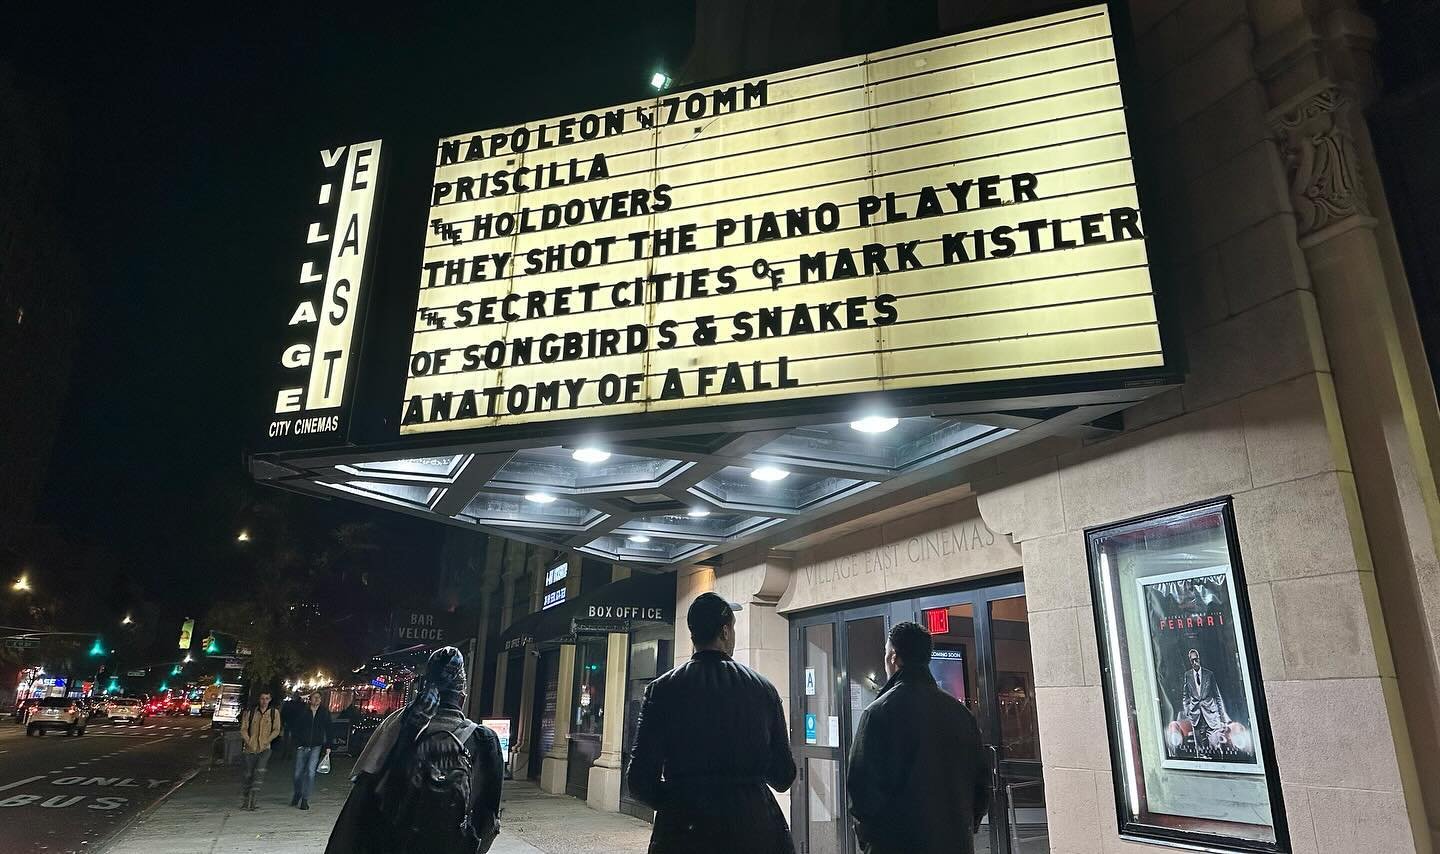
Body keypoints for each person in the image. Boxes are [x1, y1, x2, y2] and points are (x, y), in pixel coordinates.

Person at [627, 592, 797, 854]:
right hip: (753, 830)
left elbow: (639, 781)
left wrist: (677, 803)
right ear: (726, 631)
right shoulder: (763, 689)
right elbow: (783, 775)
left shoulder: (661, 691)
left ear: (693, 634)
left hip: (683, 834)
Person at [325, 647, 503, 854]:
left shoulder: (396, 725)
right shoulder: (484, 741)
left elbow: (361, 800)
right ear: (462, 697)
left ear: (425, 686)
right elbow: (489, 820)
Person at [847, 621, 990, 854]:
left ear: (893, 657)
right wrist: (964, 828)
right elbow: (981, 784)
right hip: (955, 843)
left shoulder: (878, 712)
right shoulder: (961, 713)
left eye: (886, 653)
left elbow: (862, 791)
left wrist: (870, 841)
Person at [239, 690, 282, 811]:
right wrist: (249, 742)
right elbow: (243, 729)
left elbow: (276, 729)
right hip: (250, 749)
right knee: (248, 774)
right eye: (262, 698)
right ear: (259, 699)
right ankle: (245, 798)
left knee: (259, 773)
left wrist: (267, 741)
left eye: (267, 698)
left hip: (265, 748)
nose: (264, 701)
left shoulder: (274, 713)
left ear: (270, 699)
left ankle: (254, 799)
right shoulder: (250, 712)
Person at [291, 691, 332, 809]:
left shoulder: (324, 712)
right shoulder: (303, 711)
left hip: (316, 745)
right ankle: (297, 792)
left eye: (318, 698)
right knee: (297, 773)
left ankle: (305, 798)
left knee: (310, 772)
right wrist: (297, 742)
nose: (317, 700)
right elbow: (296, 727)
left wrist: (328, 746)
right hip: (302, 745)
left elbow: (329, 728)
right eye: (315, 698)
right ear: (310, 699)